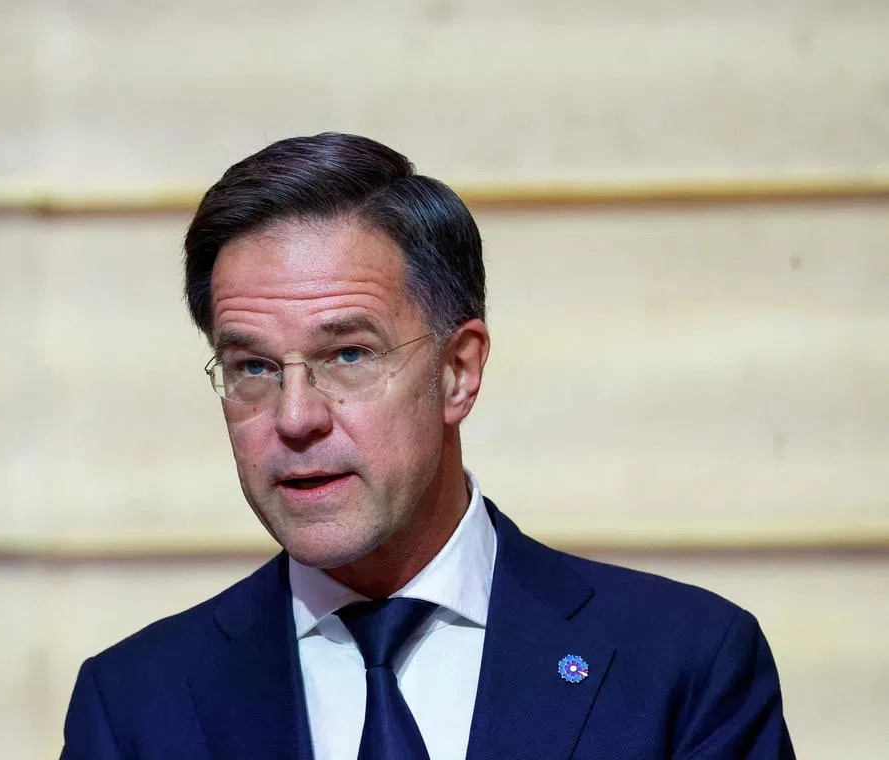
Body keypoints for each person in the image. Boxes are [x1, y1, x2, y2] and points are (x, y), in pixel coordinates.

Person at [61, 133, 795, 759]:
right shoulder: (133, 706)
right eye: (253, 367)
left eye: (349, 354)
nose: (295, 417)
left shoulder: (680, 667)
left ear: (457, 372)